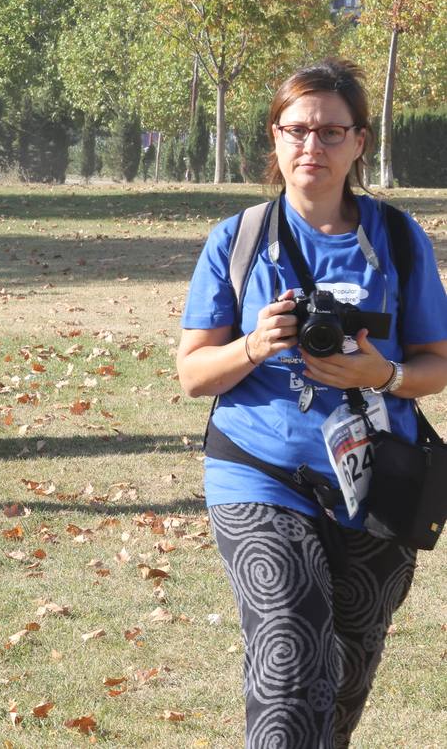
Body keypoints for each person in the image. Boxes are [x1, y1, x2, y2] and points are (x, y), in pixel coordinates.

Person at [176, 59, 447, 747]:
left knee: (345, 679)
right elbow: (193, 374)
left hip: (376, 485)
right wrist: (254, 346)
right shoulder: (235, 241)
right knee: (290, 666)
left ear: (360, 142)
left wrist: (379, 374)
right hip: (259, 474)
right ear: (273, 138)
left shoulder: (399, 242)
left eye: (331, 132)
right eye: (295, 130)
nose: (311, 147)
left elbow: (435, 367)